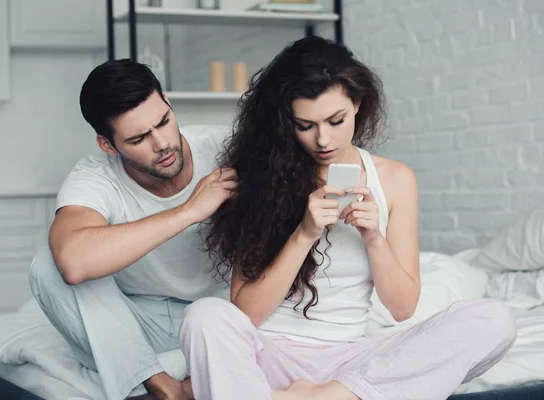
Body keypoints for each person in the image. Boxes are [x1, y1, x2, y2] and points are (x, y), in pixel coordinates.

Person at [178, 36, 517, 400]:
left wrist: (374, 239)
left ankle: (312, 397)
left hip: (349, 363)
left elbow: (402, 309)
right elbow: (247, 313)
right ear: (284, 122)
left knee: (494, 320)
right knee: (204, 316)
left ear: (357, 103)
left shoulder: (395, 179)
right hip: (270, 353)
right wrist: (304, 235)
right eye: (305, 125)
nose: (323, 139)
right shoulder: (261, 180)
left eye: (335, 120)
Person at [28, 59, 237, 400]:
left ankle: (176, 370)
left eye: (164, 122)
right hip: (138, 327)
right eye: (139, 138)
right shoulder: (94, 177)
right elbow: (73, 260)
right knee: (48, 265)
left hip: (218, 314)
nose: (162, 144)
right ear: (107, 145)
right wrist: (189, 211)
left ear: (167, 101)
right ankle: (161, 385)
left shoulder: (224, 149)